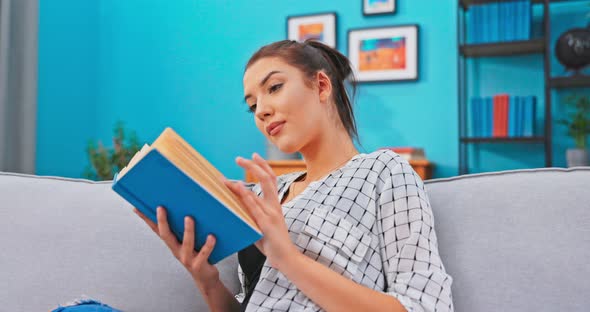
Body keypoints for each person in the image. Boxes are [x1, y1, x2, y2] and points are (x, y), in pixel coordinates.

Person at [134, 39, 454, 311]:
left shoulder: (384, 171)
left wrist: (286, 257)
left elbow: (425, 306)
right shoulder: (265, 194)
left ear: (322, 85)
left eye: (274, 87)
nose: (261, 110)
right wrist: (207, 281)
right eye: (252, 105)